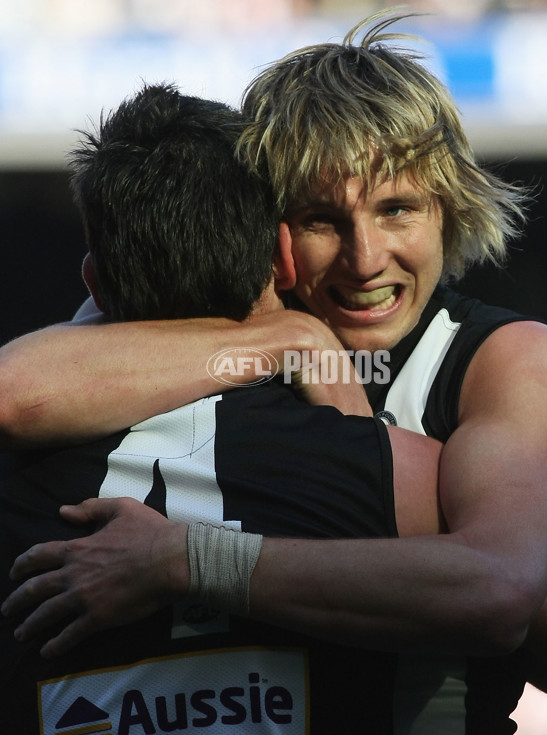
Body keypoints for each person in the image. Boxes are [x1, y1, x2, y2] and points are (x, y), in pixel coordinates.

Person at [0, 8, 547, 733]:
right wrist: (284, 339)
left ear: (449, 208)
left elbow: (505, 593)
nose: (366, 257)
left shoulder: (503, 361)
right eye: (323, 219)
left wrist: (191, 561)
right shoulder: (236, 323)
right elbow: (15, 388)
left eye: (397, 209)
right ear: (275, 237)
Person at [0, 81, 452, 734]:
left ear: (94, 284)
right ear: (283, 257)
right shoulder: (410, 477)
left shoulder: (14, 478)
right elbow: (517, 605)